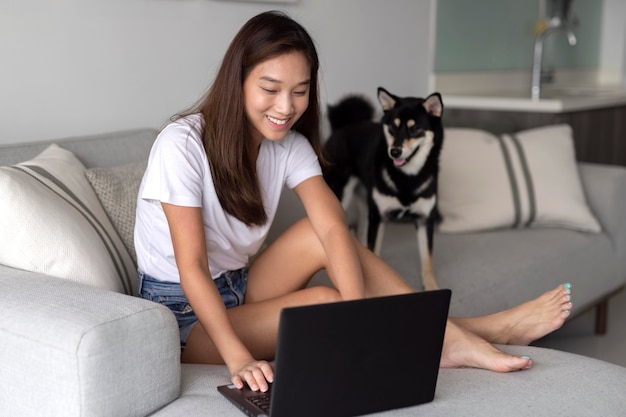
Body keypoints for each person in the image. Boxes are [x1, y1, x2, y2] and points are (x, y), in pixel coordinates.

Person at [134, 10, 573, 393]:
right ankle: (467, 333)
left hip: (239, 285)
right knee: (325, 302)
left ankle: (450, 338)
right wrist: (238, 359)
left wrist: (359, 315)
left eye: (300, 91)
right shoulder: (183, 145)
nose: (286, 107)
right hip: (185, 319)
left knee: (323, 237)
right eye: (270, 88)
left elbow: (329, 228)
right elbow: (190, 267)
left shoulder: (286, 144)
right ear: (238, 80)